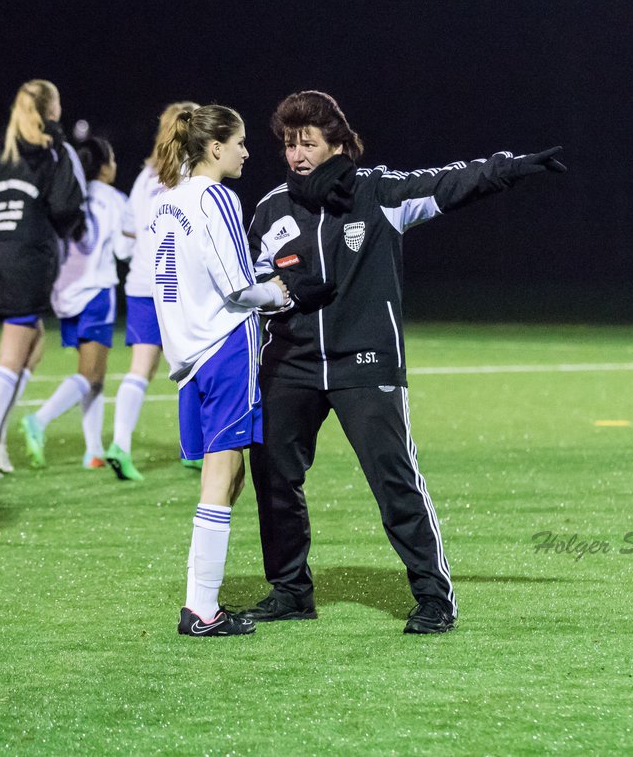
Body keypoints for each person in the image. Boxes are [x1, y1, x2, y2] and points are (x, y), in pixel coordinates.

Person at [242, 90, 566, 633]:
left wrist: (508, 168)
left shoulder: (379, 192)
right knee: (274, 476)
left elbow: (448, 181)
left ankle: (434, 597)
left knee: (394, 478)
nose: (296, 155)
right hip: (291, 362)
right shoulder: (272, 207)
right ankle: (290, 591)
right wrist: (284, 291)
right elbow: (249, 283)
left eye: (309, 144)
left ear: (338, 145)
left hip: (365, 362)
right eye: (289, 145)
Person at [148, 104, 290, 637]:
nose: (246, 152)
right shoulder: (217, 197)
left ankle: (200, 601)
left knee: (225, 480)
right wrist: (275, 292)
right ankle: (201, 611)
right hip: (225, 347)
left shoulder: (166, 203)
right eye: (240, 142)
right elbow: (238, 285)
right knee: (221, 477)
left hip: (187, 355)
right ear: (214, 148)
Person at [0, 80, 85, 474]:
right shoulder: (48, 153)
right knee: (14, 354)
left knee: (32, 347)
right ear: (51, 111)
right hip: (26, 260)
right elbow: (66, 207)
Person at [23, 137, 133, 474]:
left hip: (66, 293)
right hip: (97, 291)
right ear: (103, 167)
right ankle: (38, 420)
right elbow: (122, 253)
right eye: (112, 159)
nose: (115, 165)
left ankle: (94, 450)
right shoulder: (115, 200)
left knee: (94, 376)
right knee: (90, 374)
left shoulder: (68, 193)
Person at [103, 101, 199, 482]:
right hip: (181, 286)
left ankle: (120, 445)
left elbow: (126, 240)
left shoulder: (146, 177)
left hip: (143, 283)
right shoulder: (194, 173)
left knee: (140, 369)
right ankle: (193, 450)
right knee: (191, 366)